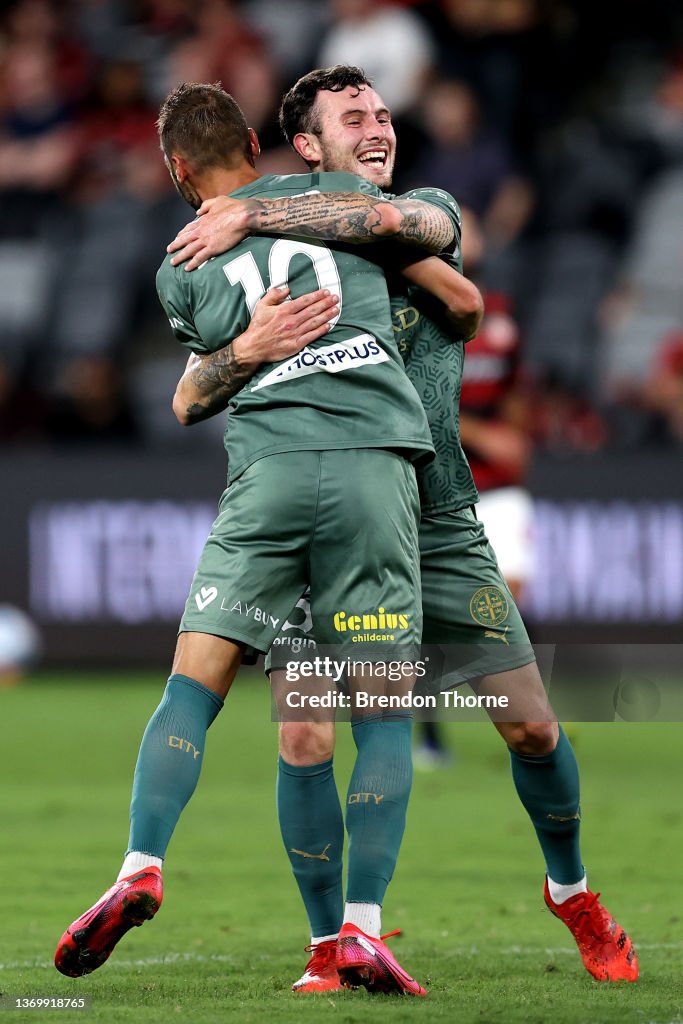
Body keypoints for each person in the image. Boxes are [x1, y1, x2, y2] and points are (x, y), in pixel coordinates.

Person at [168, 66, 639, 992]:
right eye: (354, 118)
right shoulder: (269, 258)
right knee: (303, 732)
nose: (379, 126)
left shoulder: (418, 209)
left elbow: (442, 284)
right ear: (304, 147)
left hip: (437, 518)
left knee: (533, 729)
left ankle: (571, 889)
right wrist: (243, 343)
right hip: (332, 510)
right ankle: (329, 951)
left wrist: (258, 214)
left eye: (384, 112)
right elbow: (190, 389)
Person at [54, 80, 469, 990]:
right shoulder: (341, 207)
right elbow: (448, 276)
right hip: (367, 468)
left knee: (199, 690)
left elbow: (190, 399)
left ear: (174, 169)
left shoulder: (179, 263)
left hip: (266, 482)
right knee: (382, 709)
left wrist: (244, 345)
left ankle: (139, 868)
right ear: (257, 139)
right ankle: (359, 929)